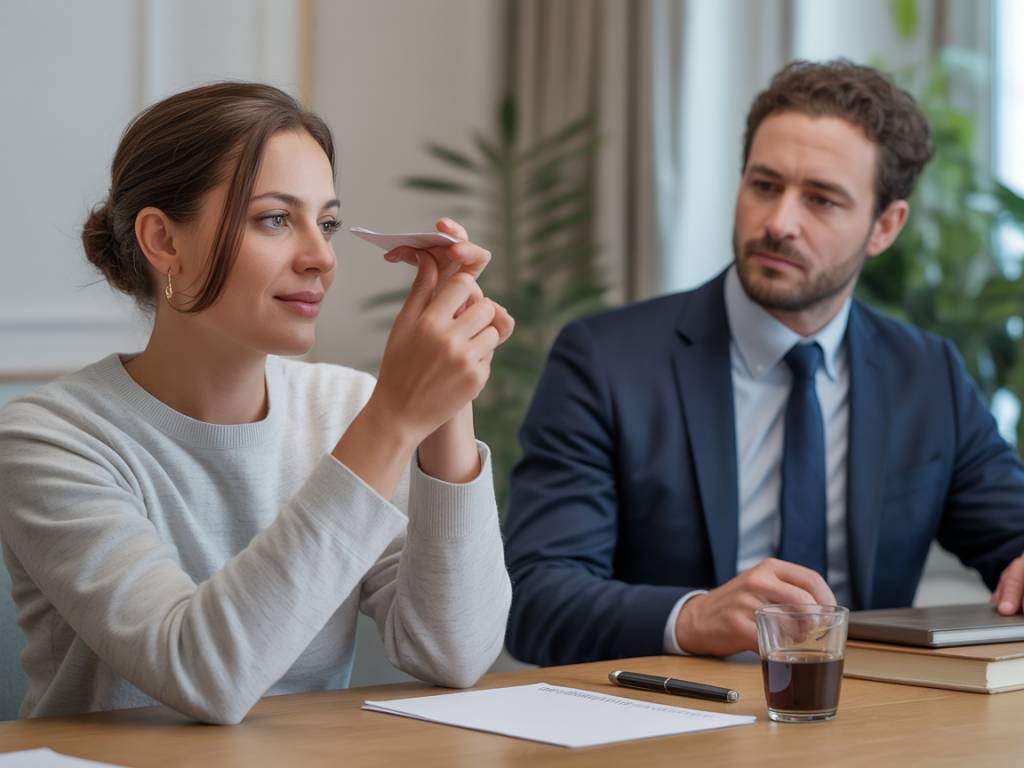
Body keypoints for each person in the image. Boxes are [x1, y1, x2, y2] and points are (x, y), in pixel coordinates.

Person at [0, 82, 515, 723]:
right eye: (275, 219)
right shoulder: (49, 440)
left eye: (326, 223)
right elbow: (200, 674)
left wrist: (446, 400)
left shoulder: (346, 410)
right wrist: (396, 417)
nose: (322, 257)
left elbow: (454, 652)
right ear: (163, 240)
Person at [503, 59, 1024, 666]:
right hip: (668, 727)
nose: (779, 223)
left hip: (867, 726)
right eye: (765, 185)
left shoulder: (925, 373)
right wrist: (694, 617)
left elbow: (1011, 532)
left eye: (822, 200)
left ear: (884, 226)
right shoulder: (607, 361)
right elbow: (535, 600)